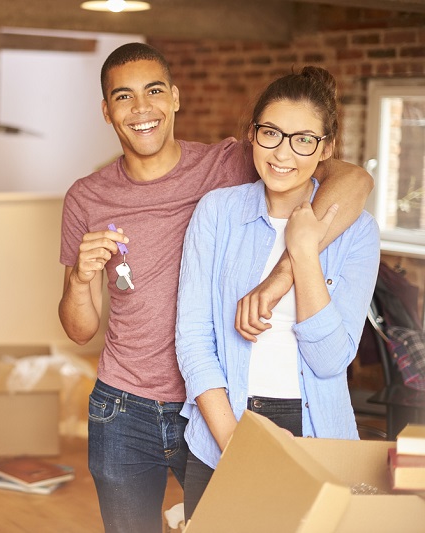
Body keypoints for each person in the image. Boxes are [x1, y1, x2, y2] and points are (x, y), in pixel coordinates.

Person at [58, 42, 373, 533]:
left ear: (176, 98)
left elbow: (352, 180)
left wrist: (280, 278)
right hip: (124, 408)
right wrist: (80, 278)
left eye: (154, 91)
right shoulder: (87, 197)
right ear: (106, 110)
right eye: (123, 97)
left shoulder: (229, 164)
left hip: (206, 405)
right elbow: (80, 331)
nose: (141, 109)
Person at [175, 66, 380, 521]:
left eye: (303, 139)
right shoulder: (218, 213)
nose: (283, 152)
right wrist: (235, 444)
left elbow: (330, 360)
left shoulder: (357, 233)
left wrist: (305, 252)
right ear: (252, 135)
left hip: (318, 436)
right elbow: (192, 338)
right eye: (271, 133)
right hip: (224, 430)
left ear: (326, 149)